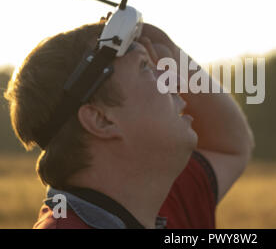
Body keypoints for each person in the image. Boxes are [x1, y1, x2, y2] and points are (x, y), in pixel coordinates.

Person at [4, 17, 255, 229]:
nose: (175, 79)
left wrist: (168, 48)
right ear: (100, 119)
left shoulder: (156, 196)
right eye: (145, 66)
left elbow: (231, 146)